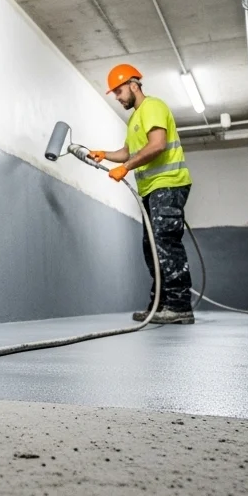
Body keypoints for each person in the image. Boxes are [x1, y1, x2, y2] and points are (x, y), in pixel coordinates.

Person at [89, 64, 195, 324]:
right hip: (150, 190)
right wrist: (105, 154)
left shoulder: (153, 106)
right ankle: (160, 305)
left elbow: (157, 145)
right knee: (152, 249)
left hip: (168, 183)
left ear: (134, 85)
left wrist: (125, 168)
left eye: (119, 91)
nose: (117, 97)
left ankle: (180, 306)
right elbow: (127, 152)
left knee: (165, 242)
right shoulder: (134, 119)